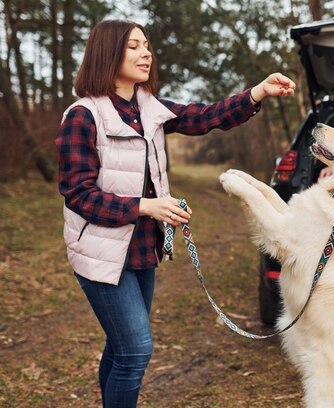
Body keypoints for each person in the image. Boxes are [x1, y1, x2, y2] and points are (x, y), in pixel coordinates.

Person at [55, 20, 295, 407]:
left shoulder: (149, 106)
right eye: (134, 47)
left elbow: (204, 116)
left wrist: (256, 93)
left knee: (121, 348)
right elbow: (78, 194)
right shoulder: (83, 116)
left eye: (146, 45)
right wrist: (146, 206)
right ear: (107, 53)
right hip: (100, 253)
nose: (146, 53)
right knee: (135, 350)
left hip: (140, 250)